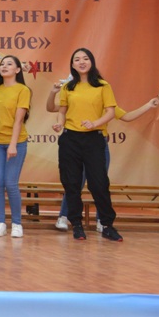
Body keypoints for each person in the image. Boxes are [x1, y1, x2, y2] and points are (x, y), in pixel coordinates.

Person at [48, 88, 159, 232]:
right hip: (77, 144)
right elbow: (53, 108)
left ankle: (102, 220)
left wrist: (149, 105)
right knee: (74, 183)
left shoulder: (108, 106)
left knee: (99, 184)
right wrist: (53, 92)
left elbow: (127, 116)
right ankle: (64, 216)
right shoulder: (76, 99)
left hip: (98, 146)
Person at [50, 48, 122, 242]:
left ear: (92, 62)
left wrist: (95, 123)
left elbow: (110, 112)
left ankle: (107, 225)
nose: (81, 62)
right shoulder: (68, 87)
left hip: (94, 139)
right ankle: (77, 225)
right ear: (72, 65)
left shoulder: (103, 85)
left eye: (85, 58)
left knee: (99, 183)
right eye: (77, 59)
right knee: (71, 183)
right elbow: (62, 111)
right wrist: (59, 123)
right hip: (70, 139)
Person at [0, 55, 31, 238]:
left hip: (16, 142)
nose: (4, 66)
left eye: (9, 64)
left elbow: (19, 120)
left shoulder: (23, 90)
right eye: (2, 64)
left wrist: (12, 144)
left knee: (10, 183)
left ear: (17, 70)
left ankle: (17, 224)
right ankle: (0, 223)